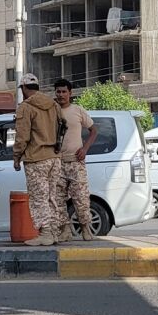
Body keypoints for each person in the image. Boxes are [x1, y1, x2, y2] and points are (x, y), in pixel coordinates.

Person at [12, 74, 62, 246]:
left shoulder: (25, 107)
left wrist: (16, 157)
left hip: (36, 158)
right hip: (54, 157)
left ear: (24, 88)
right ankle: (54, 232)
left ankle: (45, 233)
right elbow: (63, 126)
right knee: (51, 197)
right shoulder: (54, 105)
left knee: (38, 198)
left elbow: (22, 137)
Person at [53, 78, 99, 241]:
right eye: (58, 91)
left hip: (75, 161)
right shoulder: (51, 111)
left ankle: (86, 229)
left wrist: (85, 148)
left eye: (64, 91)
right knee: (58, 198)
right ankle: (65, 230)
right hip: (57, 161)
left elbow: (94, 130)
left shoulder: (78, 110)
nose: (61, 95)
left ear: (70, 93)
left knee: (81, 197)